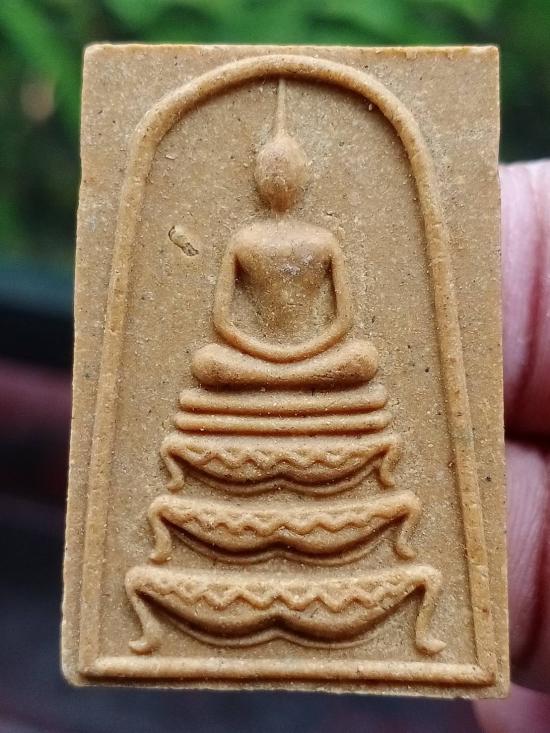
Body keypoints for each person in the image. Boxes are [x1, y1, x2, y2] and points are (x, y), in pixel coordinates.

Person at [474, 160, 550, 732]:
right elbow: (227, 324)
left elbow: (342, 319)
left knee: (361, 361)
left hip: (326, 365)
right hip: (250, 362)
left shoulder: (324, 243)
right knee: (211, 361)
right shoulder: (245, 243)